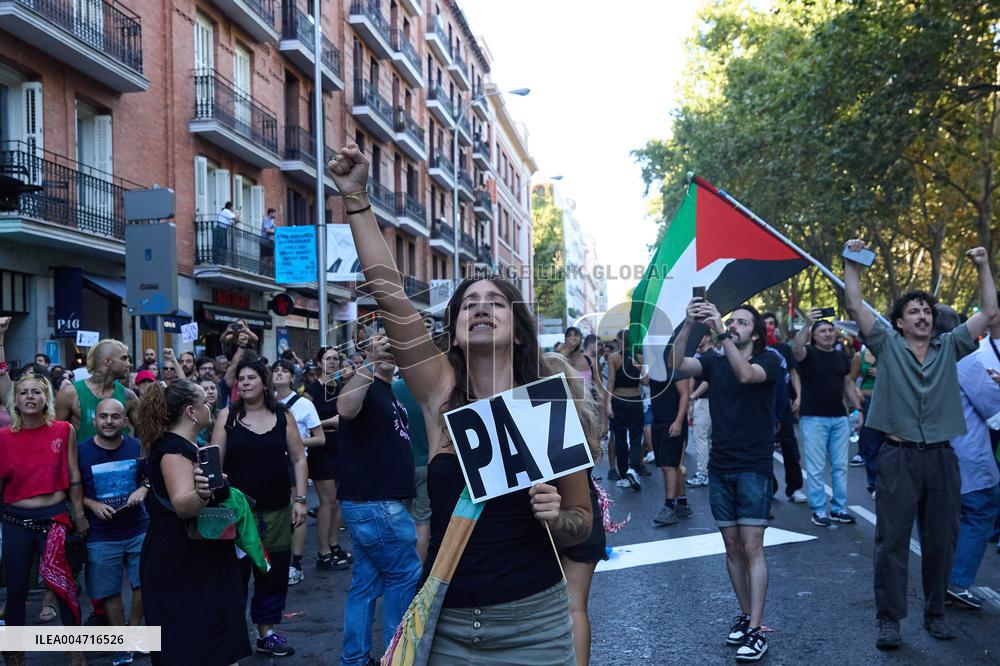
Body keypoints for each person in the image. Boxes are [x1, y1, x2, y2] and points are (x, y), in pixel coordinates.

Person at [329, 143, 594, 664]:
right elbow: (390, 296)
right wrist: (356, 199)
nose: (480, 307)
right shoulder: (438, 391)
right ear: (451, 328)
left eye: (496, 302)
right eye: (468, 303)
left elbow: (582, 519)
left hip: (535, 629)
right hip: (447, 629)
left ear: (518, 331)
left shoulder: (545, 406)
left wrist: (558, 516)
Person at [842, 239, 997, 649]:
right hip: (897, 457)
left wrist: (983, 265)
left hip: (943, 458)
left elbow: (989, 312)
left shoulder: (952, 347)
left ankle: (936, 613)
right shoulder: (886, 345)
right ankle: (889, 620)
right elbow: (856, 305)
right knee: (891, 542)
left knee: (941, 541)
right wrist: (852, 265)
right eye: (914, 311)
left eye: (927, 310)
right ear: (898, 322)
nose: (923, 316)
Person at [669, 299, 781, 662]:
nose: (735, 326)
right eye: (734, 321)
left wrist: (720, 333)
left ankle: (758, 628)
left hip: (754, 465)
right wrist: (688, 326)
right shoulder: (715, 361)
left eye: (744, 323)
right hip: (721, 465)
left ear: (757, 333)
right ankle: (747, 616)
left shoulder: (770, 359)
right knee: (732, 547)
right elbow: (675, 366)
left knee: (752, 547)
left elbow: (747, 376)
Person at [138, 379, 250, 665]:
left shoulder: (185, 445)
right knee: (192, 642)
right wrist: (204, 492)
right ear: (191, 411)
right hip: (183, 560)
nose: (209, 404)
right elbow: (183, 505)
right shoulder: (174, 450)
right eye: (204, 401)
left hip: (194, 555)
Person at [210, 358, 307, 657]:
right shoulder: (227, 416)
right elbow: (213, 461)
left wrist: (301, 500)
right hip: (236, 513)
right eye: (241, 378)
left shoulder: (284, 415)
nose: (246, 382)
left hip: (277, 509)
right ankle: (232, 635)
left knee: (272, 573)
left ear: (264, 383)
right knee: (233, 574)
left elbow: (299, 459)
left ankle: (267, 634)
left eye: (252, 377)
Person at [336, 332, 422, 666]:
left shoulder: (390, 391)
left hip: (379, 503)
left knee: (365, 584)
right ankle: (396, 657)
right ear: (366, 349)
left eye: (392, 344)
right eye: (379, 343)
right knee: (405, 574)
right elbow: (345, 408)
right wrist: (369, 362)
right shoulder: (364, 383)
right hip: (376, 503)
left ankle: (355, 659)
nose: (387, 349)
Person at [0, 374, 87, 665]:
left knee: (64, 587)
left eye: (36, 391)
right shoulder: (3, 437)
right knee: (16, 589)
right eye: (22, 392)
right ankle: (14, 652)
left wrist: (79, 514)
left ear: (46, 397)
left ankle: (75, 648)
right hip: (15, 521)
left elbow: (74, 476)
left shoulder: (64, 430)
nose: (29, 396)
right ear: (15, 400)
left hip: (54, 519)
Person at [930, 305, 1000, 610]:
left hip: (930, 453)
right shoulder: (968, 364)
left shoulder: (920, 361)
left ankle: (939, 577)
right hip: (967, 452)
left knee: (944, 518)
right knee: (982, 509)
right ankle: (957, 580)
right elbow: (994, 413)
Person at [77, 399, 147, 666]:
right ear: (94, 420)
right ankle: (121, 642)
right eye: (103, 416)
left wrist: (144, 488)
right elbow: (73, 491)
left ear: (124, 421)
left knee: (144, 582)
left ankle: (133, 632)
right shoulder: (81, 451)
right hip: (101, 534)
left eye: (115, 417)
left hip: (138, 527)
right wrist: (92, 505)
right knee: (108, 590)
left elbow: (152, 477)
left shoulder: (136, 447)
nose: (109, 421)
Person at [791, 310, 863, 526]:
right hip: (813, 419)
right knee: (815, 467)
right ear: (814, 336)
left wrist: (858, 411)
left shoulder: (842, 356)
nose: (828, 333)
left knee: (840, 466)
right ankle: (819, 510)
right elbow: (796, 349)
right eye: (822, 331)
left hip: (839, 418)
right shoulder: (808, 354)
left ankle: (839, 509)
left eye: (830, 330)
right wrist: (807, 324)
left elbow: (847, 384)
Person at [271, 359, 330, 585]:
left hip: (294, 463)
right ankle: (276, 561)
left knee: (296, 509)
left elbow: (320, 438)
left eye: (283, 371)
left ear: (292, 377)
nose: (278, 375)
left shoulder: (303, 404)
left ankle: (295, 564)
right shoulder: (266, 401)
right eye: (275, 371)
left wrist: (293, 442)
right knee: (276, 514)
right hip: (271, 464)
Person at [302, 347, 352, 572]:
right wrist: (328, 422)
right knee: (327, 500)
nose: (333, 362)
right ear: (320, 362)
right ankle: (322, 552)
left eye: (336, 359)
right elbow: (301, 421)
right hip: (321, 448)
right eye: (328, 358)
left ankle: (333, 544)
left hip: (341, 446)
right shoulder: (312, 390)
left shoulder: (341, 387)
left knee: (339, 500)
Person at [761, 312, 805, 503]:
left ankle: (794, 488)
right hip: (763, 407)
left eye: (772, 323)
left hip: (784, 405)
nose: (770, 326)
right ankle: (769, 488)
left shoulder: (783, 348)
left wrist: (798, 396)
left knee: (790, 447)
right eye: (766, 324)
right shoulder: (756, 350)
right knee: (764, 449)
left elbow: (794, 373)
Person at [56, 339, 138, 442]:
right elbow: (56, 438)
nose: (129, 364)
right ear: (107, 361)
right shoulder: (69, 394)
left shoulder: (129, 396)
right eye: (124, 358)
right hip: (83, 457)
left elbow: (147, 433)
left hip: (121, 458)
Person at [392, 375, 432, 563]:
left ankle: (403, 569)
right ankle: (415, 575)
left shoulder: (393, 388)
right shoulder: (431, 385)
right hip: (425, 461)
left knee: (401, 519)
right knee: (422, 521)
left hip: (401, 463)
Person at [649, 367, 692, 525]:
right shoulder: (655, 366)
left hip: (672, 422)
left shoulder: (677, 367)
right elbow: (645, 381)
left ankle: (669, 507)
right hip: (658, 421)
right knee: (670, 465)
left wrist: (679, 421)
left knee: (668, 466)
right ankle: (682, 503)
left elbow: (685, 394)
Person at [607, 329, 646, 490]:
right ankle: (633, 467)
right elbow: (645, 381)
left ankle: (624, 475)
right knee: (637, 436)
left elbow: (610, 381)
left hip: (618, 401)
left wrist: (608, 404)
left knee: (620, 438)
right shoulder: (640, 357)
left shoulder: (614, 358)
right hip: (635, 400)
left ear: (619, 341)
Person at [849, 344, 882, 498]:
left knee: (889, 445)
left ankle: (888, 482)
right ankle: (874, 484)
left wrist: (882, 373)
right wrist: (857, 393)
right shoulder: (859, 356)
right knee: (870, 444)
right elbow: (850, 380)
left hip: (887, 402)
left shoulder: (888, 353)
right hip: (867, 401)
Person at [687, 332, 715, 488]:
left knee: (701, 438)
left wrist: (692, 397)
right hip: (701, 401)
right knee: (706, 439)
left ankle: (703, 473)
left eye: (701, 336)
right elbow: (693, 378)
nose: (698, 339)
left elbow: (709, 380)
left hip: (706, 401)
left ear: (709, 337)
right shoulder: (700, 357)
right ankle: (708, 472)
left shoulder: (711, 356)